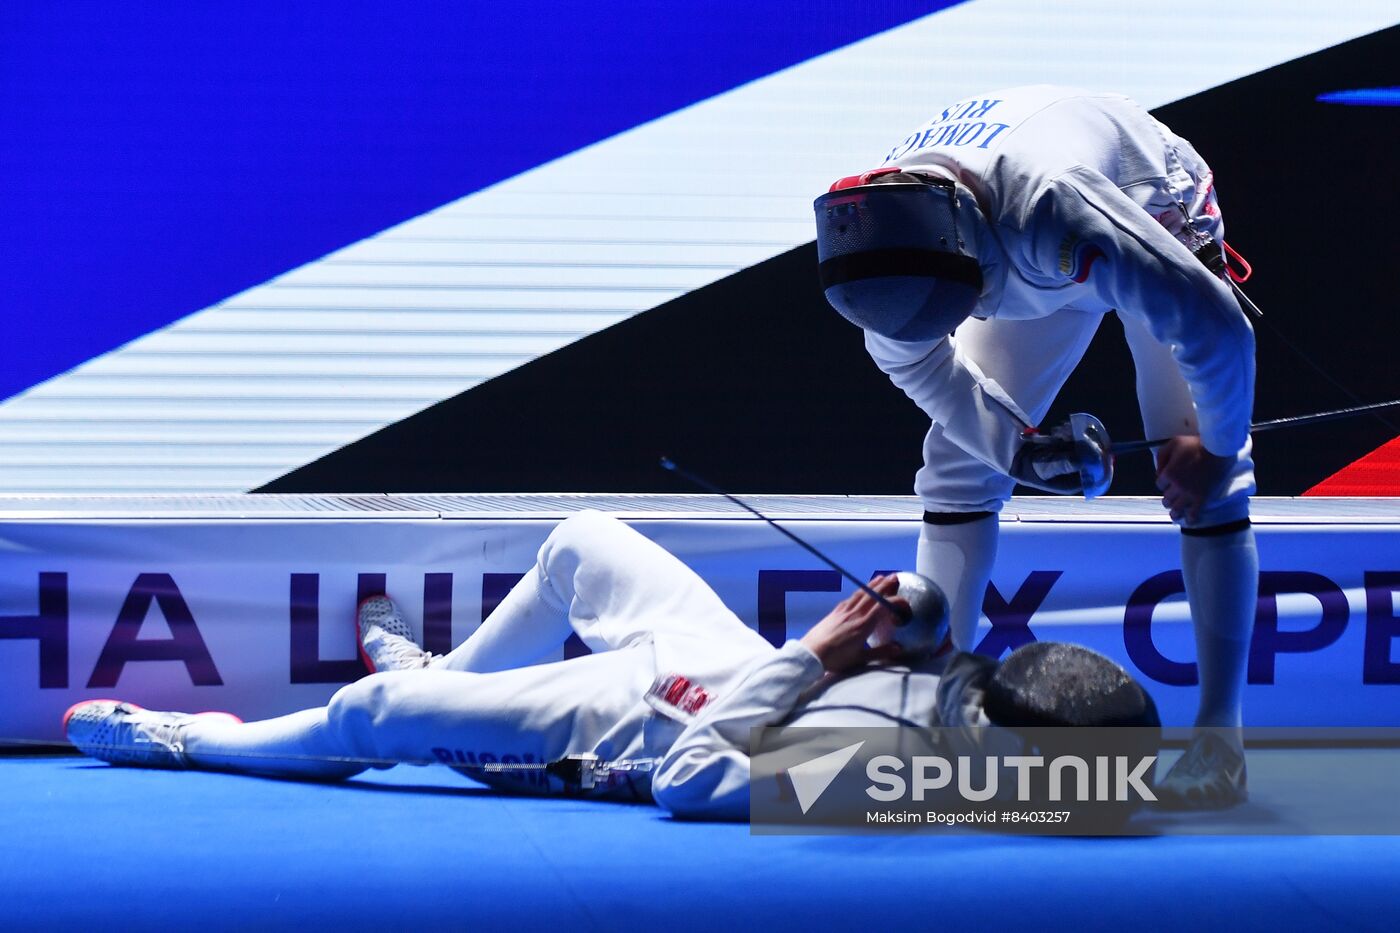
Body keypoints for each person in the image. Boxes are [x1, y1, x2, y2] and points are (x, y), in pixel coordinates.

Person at [65, 511, 1158, 821]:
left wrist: (813, 652)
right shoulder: (980, 712)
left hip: (623, 727)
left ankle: (189, 743)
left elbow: (692, 779)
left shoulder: (883, 780)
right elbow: (927, 660)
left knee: (378, 708)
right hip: (716, 660)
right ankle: (459, 671)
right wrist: (908, 622)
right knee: (581, 539)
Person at [813, 85, 1258, 808]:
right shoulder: (879, 256)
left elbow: (1218, 329)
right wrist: (1017, 451)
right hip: (1020, 253)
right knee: (958, 468)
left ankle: (1220, 743)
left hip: (1151, 207)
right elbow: (922, 367)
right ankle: (935, 723)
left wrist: (1215, 444)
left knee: (1207, 480)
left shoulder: (1057, 208)